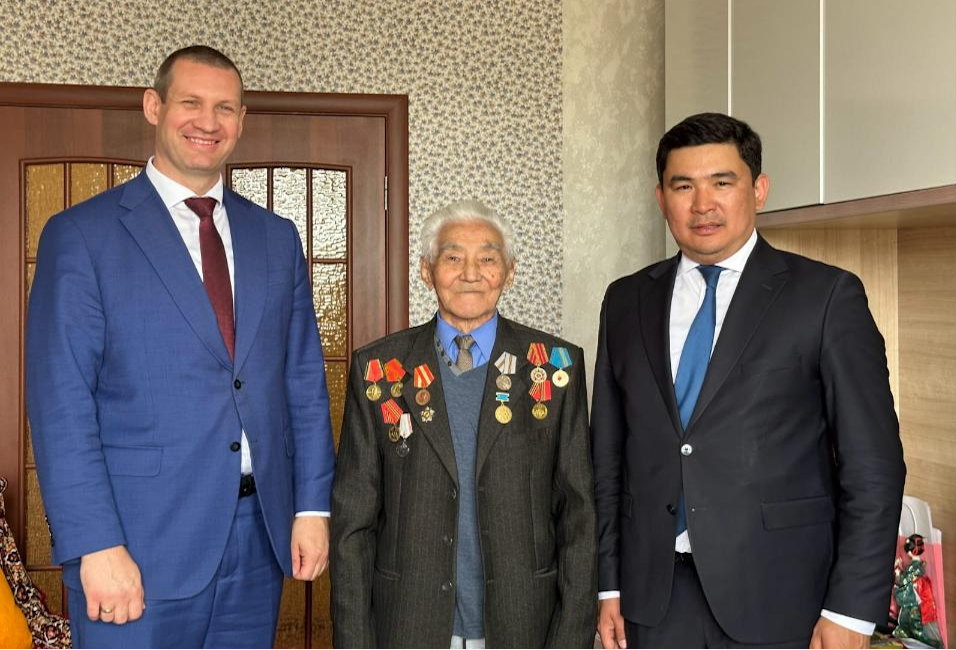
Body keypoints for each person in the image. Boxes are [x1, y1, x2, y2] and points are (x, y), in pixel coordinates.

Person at [25, 45, 334, 648]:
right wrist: (95, 542)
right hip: (133, 545)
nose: (207, 121)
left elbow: (303, 382)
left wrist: (312, 507)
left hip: (259, 539)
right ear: (154, 106)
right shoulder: (81, 235)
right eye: (191, 102)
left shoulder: (276, 238)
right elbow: (61, 404)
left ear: (241, 120)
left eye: (225, 108)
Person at [591, 112, 906, 649]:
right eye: (683, 186)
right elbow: (608, 454)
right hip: (652, 600)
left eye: (722, 182)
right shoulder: (625, 300)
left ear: (758, 189)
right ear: (661, 198)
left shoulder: (826, 297)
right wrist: (609, 584)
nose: (702, 204)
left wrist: (852, 612)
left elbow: (873, 465)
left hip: (781, 598)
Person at [331, 200, 596, 648]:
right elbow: (352, 525)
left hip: (524, 623)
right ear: (426, 271)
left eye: (487, 259)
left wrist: (571, 636)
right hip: (409, 624)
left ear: (509, 273)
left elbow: (579, 515)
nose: (470, 273)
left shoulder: (556, 368)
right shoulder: (379, 368)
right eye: (453, 257)